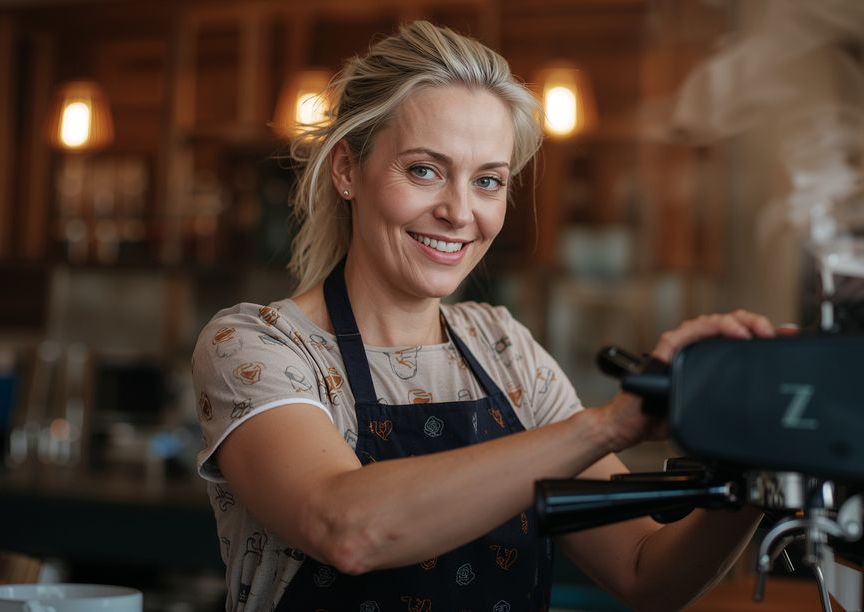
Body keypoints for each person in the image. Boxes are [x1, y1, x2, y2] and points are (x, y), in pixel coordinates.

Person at [192, 20, 780, 612]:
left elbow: (644, 572)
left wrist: (756, 473)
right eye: (424, 169)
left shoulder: (504, 348)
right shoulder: (258, 345)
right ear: (347, 169)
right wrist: (606, 425)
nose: (459, 212)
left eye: (488, 181)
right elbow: (344, 527)